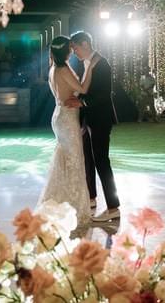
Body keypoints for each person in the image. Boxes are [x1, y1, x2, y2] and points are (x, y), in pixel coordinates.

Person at [38, 36, 97, 224]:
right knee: (74, 161)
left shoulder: (53, 69)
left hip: (59, 114)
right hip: (67, 118)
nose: (73, 50)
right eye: (70, 47)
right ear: (66, 51)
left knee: (63, 158)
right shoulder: (63, 69)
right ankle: (75, 206)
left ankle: (60, 200)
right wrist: (90, 67)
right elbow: (83, 88)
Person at [66, 31, 120, 223]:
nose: (74, 52)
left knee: (102, 162)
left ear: (86, 44)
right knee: (88, 160)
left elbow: (104, 95)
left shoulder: (102, 63)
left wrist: (82, 103)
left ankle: (113, 207)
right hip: (88, 120)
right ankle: (91, 199)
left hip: (101, 119)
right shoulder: (86, 63)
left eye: (75, 48)